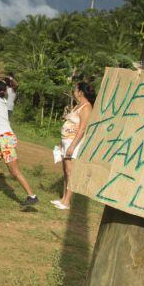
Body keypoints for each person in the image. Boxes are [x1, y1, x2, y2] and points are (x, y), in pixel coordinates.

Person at [52, 81, 96, 210]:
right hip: (66, 141)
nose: (74, 92)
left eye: (75, 90)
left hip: (74, 143)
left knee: (70, 172)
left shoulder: (86, 107)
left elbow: (82, 129)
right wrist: (62, 143)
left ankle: (67, 201)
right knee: (66, 170)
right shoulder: (77, 105)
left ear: (81, 92)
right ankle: (64, 198)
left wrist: (72, 146)